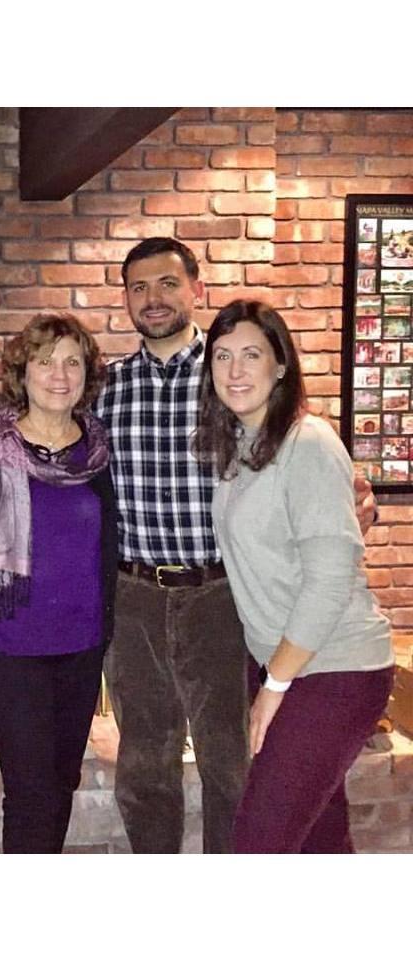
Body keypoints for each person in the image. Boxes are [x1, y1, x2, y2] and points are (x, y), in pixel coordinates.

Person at [98, 237, 377, 854]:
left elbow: (298, 454)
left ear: (196, 289)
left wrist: (355, 492)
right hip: (135, 593)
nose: (153, 298)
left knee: (233, 759)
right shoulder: (105, 389)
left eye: (168, 283)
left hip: (222, 596)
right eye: (138, 287)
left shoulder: (229, 378)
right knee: (144, 762)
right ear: (125, 300)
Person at [193, 299, 393, 853]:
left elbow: (330, 579)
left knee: (260, 844)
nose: (235, 370)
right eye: (222, 356)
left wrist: (274, 686)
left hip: (336, 669)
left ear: (280, 365)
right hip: (291, 665)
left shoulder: (308, 443)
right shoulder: (242, 446)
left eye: (251, 355)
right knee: (319, 840)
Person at [0, 312, 116, 853]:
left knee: (62, 782)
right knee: (29, 790)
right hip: (9, 646)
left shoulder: (100, 451)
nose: (60, 374)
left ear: (87, 375)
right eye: (45, 361)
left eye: (73, 362)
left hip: (81, 643)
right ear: (22, 371)